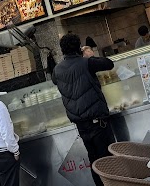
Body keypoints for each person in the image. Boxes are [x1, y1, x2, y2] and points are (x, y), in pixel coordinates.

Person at [52, 33, 115, 186]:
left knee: (94, 160)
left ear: (62, 50)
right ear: (79, 47)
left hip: (81, 125)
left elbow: (55, 80)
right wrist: (87, 56)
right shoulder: (87, 63)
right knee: (108, 160)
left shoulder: (57, 70)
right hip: (98, 122)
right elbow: (109, 63)